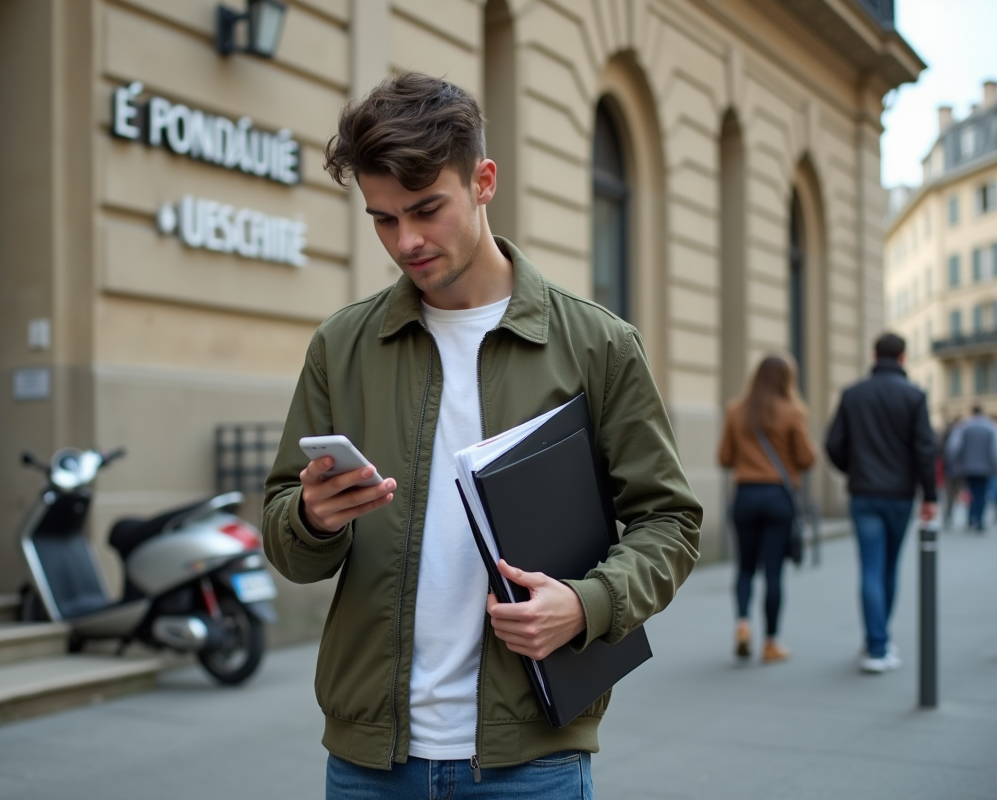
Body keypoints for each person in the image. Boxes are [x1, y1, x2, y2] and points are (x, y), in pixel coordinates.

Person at [262, 72, 702, 798]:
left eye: (426, 209)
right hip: (371, 763)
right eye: (382, 218)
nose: (405, 240)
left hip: (531, 761)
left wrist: (587, 604)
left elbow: (670, 522)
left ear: (483, 182)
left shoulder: (596, 345)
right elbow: (287, 541)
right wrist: (310, 518)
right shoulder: (342, 347)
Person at [825, 333, 936, 674]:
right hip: (900, 496)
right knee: (889, 568)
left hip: (864, 494)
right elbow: (925, 450)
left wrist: (855, 470)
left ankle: (875, 642)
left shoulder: (853, 394)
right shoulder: (915, 396)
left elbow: (833, 444)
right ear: (903, 358)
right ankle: (880, 642)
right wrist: (930, 495)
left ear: (874, 355)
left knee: (871, 568)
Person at [717, 355, 816, 664]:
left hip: (745, 495)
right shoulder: (793, 411)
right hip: (778, 497)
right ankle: (771, 643)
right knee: (773, 573)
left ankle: (743, 625)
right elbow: (807, 459)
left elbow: (724, 457)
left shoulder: (736, 410)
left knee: (745, 568)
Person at [945, 404, 997, 532]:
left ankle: (972, 517)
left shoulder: (964, 426)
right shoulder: (990, 427)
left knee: (971, 492)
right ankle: (979, 519)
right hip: (986, 467)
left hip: (968, 467)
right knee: (981, 493)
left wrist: (956, 463)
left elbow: (954, 447)